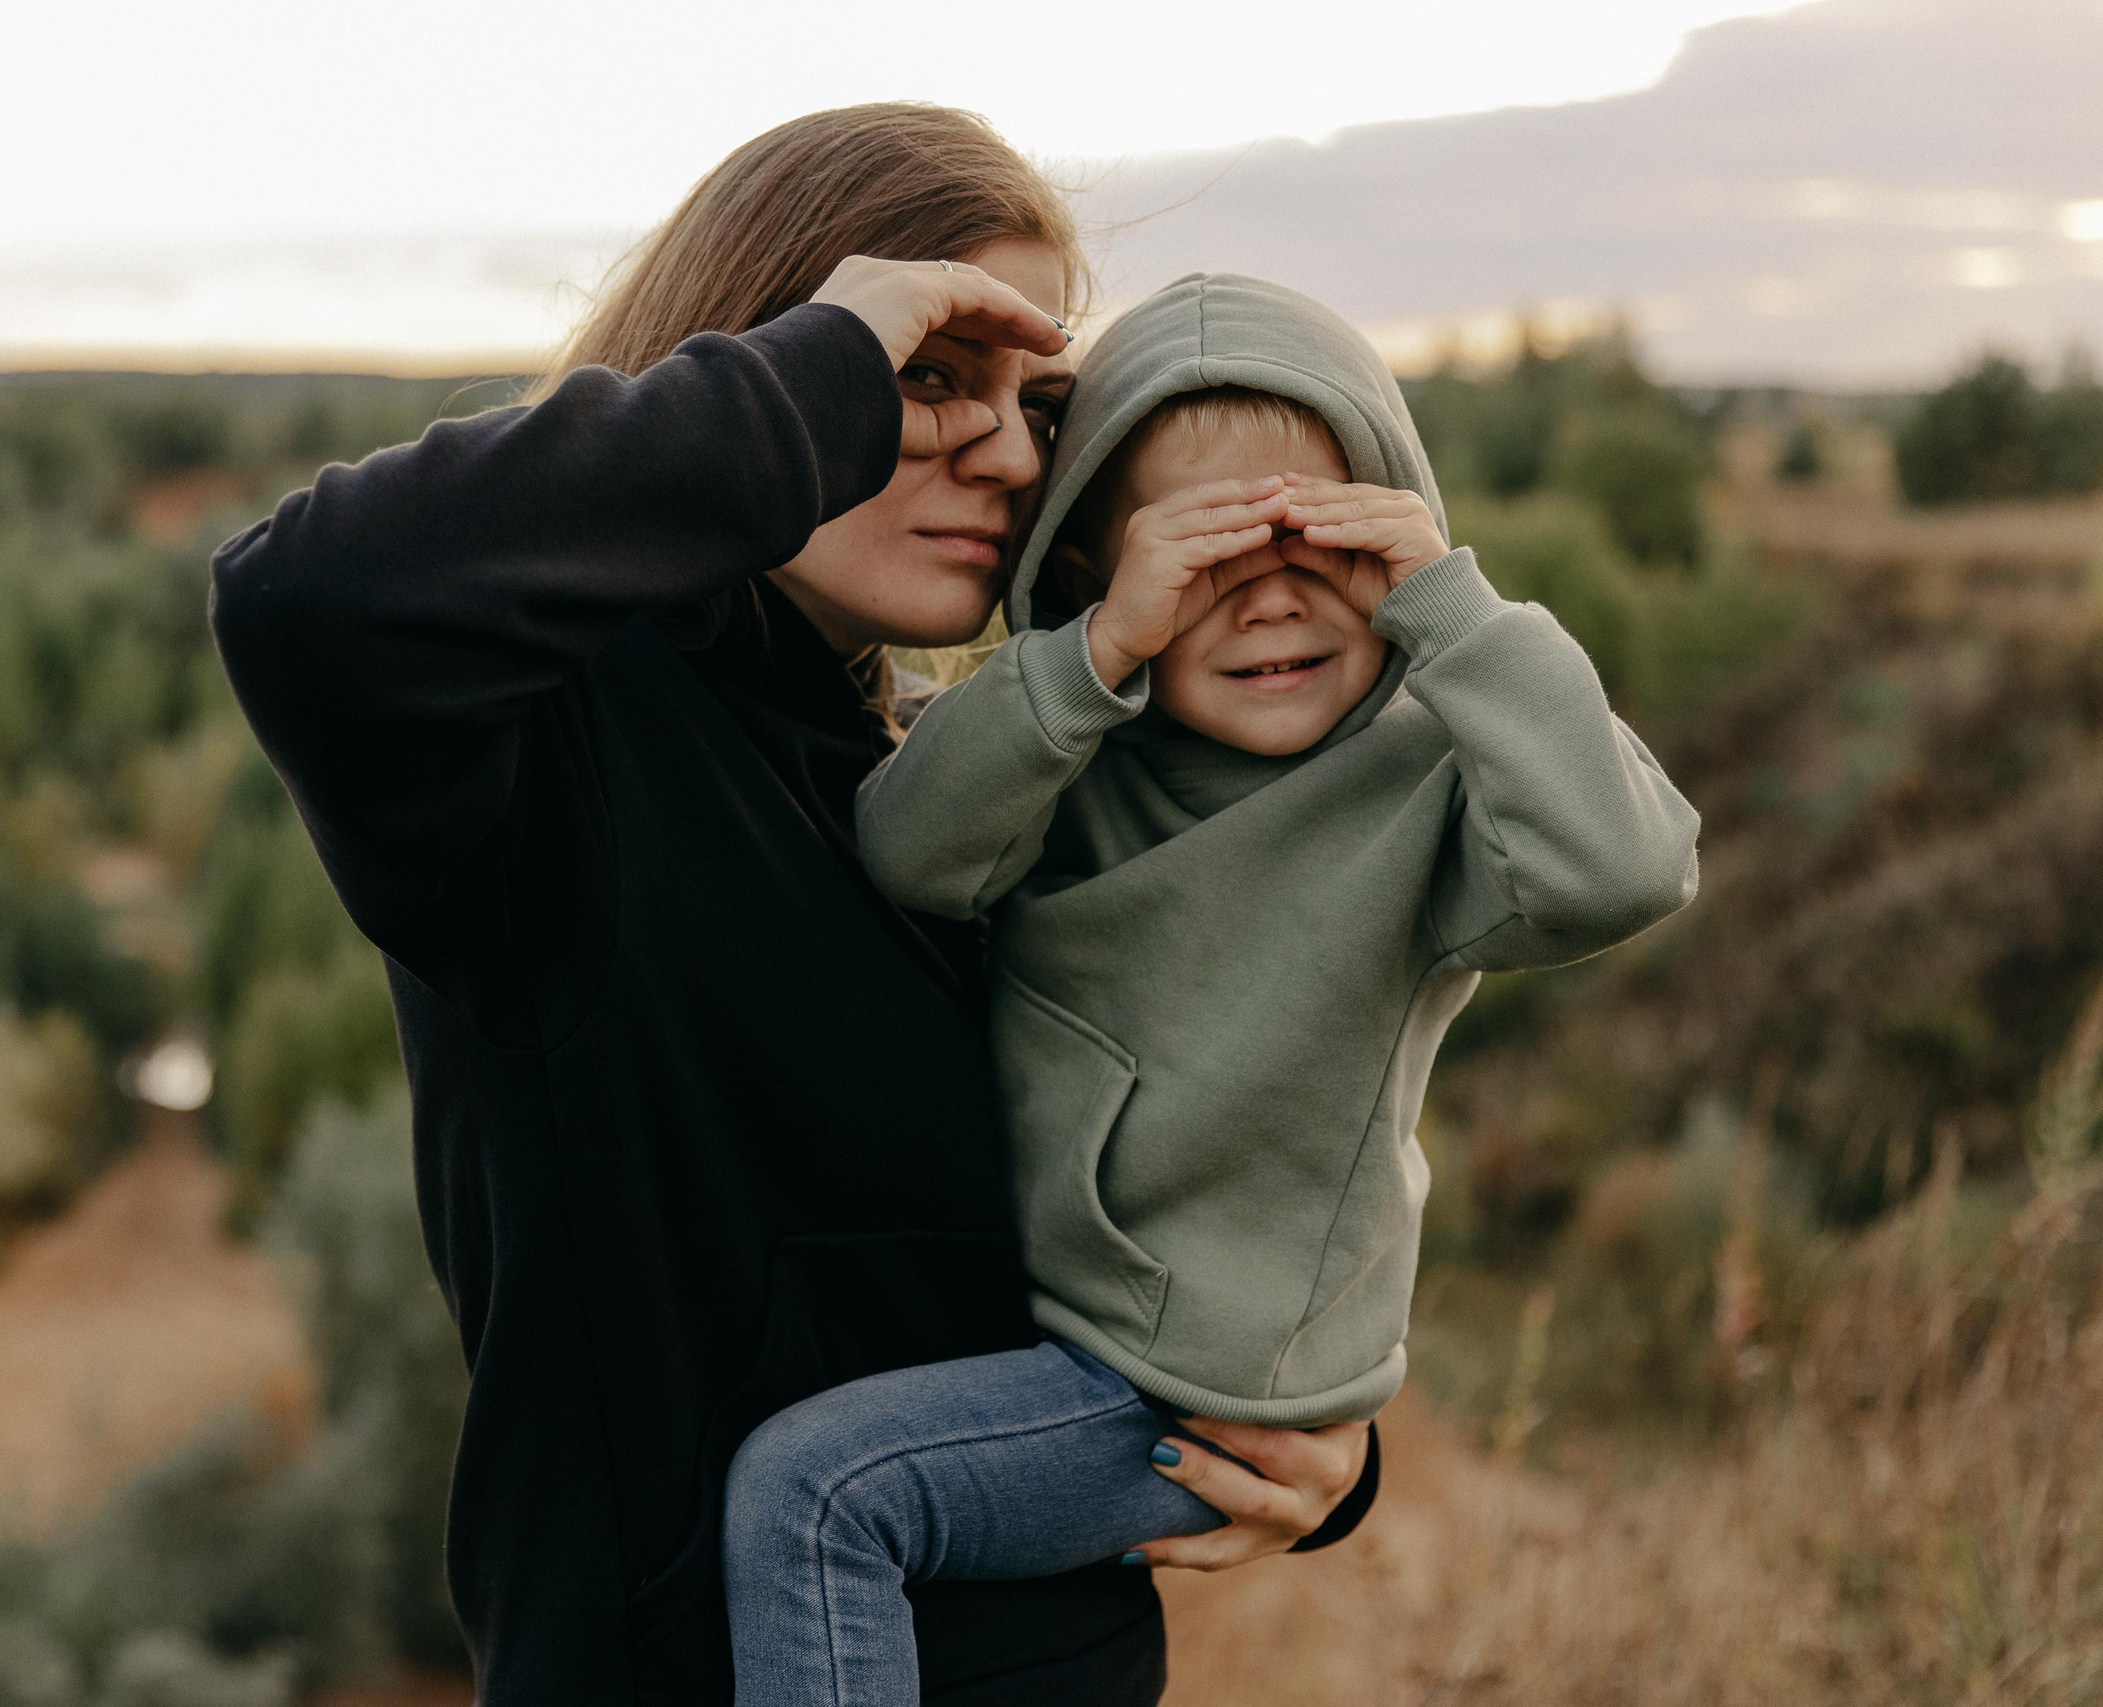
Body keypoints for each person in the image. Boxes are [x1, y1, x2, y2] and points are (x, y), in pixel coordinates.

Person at [207, 114, 1374, 1707]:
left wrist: (1303, 1440)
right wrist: (825, 373)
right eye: (929, 377)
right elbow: (303, 598)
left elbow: (1137, 1215)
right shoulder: (566, 770)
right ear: (764, 376)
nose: (1014, 456)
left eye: (1034, 405)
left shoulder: (984, 789)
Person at [721, 273, 1704, 1706]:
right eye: (1206, 559)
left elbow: (1625, 872)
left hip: (1190, 1389)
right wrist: (1096, 657)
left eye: (1328, 545)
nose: (1274, 599)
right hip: (1060, 1328)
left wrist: (1457, 612)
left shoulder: (1425, 776)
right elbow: (912, 853)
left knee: (817, 1500)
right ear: (1091, 578)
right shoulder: (1072, 742)